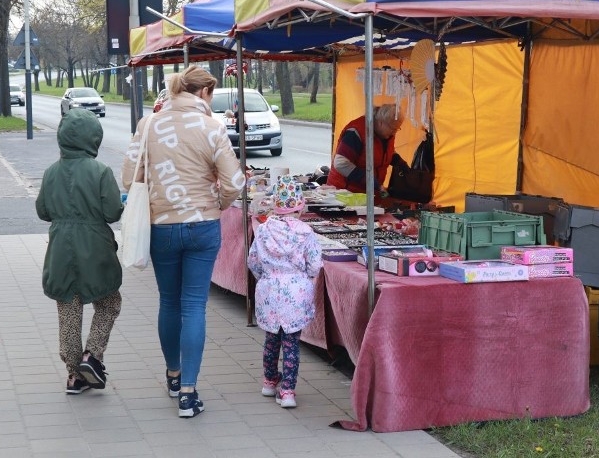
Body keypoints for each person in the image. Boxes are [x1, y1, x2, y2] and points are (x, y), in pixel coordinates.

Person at [121, 65, 245, 418]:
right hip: (203, 226)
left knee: (169, 302)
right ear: (204, 94)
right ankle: (189, 392)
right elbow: (234, 182)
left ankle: (173, 375)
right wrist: (215, 204)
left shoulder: (149, 126)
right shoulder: (212, 128)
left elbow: (129, 177)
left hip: (162, 225)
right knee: (194, 305)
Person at [36, 108, 124, 394]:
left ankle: (74, 375)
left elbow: (43, 211)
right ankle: (92, 355)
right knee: (109, 302)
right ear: (93, 138)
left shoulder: (51, 172)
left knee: (68, 310)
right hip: (95, 247)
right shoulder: (101, 171)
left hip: (61, 248)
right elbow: (112, 213)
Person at [247, 175, 322, 409]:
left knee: (271, 339)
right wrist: (305, 277)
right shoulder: (306, 233)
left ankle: (269, 381)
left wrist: (267, 277)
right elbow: (315, 264)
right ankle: (288, 391)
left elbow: (253, 262)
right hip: (296, 291)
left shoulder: (263, 230)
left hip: (269, 290)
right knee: (291, 342)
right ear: (300, 208)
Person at [327, 103, 404, 195]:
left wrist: (399, 162)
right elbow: (340, 163)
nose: (394, 133)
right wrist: (368, 180)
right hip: (345, 193)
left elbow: (383, 151)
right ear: (381, 122)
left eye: (397, 129)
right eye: (393, 128)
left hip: (368, 192)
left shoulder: (387, 134)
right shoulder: (356, 132)